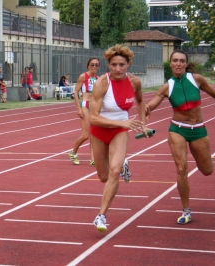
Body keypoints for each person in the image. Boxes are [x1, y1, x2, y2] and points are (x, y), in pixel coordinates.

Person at [145, 50, 215, 225]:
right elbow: (153, 103)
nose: (178, 64)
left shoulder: (197, 79)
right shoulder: (167, 87)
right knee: (181, 169)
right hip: (177, 129)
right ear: (171, 63)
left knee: (207, 170)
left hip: (198, 130)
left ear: (185, 63)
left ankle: (199, 161)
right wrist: (147, 108)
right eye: (175, 61)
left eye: (181, 61)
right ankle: (186, 210)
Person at [90, 45, 150, 233]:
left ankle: (101, 215)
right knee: (104, 177)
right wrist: (122, 124)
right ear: (108, 65)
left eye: (121, 65)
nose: (117, 68)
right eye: (113, 64)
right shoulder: (102, 83)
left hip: (119, 132)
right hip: (99, 130)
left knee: (114, 172)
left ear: (128, 64)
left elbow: (140, 102)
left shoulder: (135, 83)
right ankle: (123, 165)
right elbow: (93, 116)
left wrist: (142, 122)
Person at [68, 57, 100, 166]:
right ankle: (73, 152)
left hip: (95, 107)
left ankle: (93, 159)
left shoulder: (98, 78)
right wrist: (78, 108)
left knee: (95, 135)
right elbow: (76, 93)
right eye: (92, 65)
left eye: (96, 65)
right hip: (85, 106)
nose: (94, 67)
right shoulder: (83, 76)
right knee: (86, 135)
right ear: (88, 66)